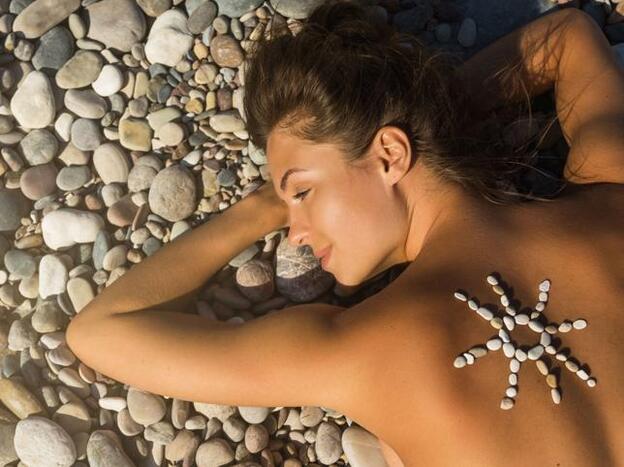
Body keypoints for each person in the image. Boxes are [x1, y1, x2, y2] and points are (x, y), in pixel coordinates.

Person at [66, 1, 624, 466]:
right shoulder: (609, 199)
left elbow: (100, 333)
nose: (295, 233)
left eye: (302, 193)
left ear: (388, 154)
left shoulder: (364, 354)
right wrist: (432, 118)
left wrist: (257, 209)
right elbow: (568, 36)